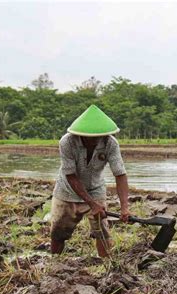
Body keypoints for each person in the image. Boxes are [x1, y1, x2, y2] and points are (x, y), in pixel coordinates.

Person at [50, 105, 131, 257]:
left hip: (95, 188)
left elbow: (120, 174)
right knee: (59, 232)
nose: (94, 141)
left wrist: (124, 207)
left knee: (102, 231)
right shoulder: (67, 142)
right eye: (90, 138)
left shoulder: (110, 143)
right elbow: (71, 175)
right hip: (66, 190)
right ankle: (54, 262)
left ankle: (106, 264)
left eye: (98, 137)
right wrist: (92, 204)